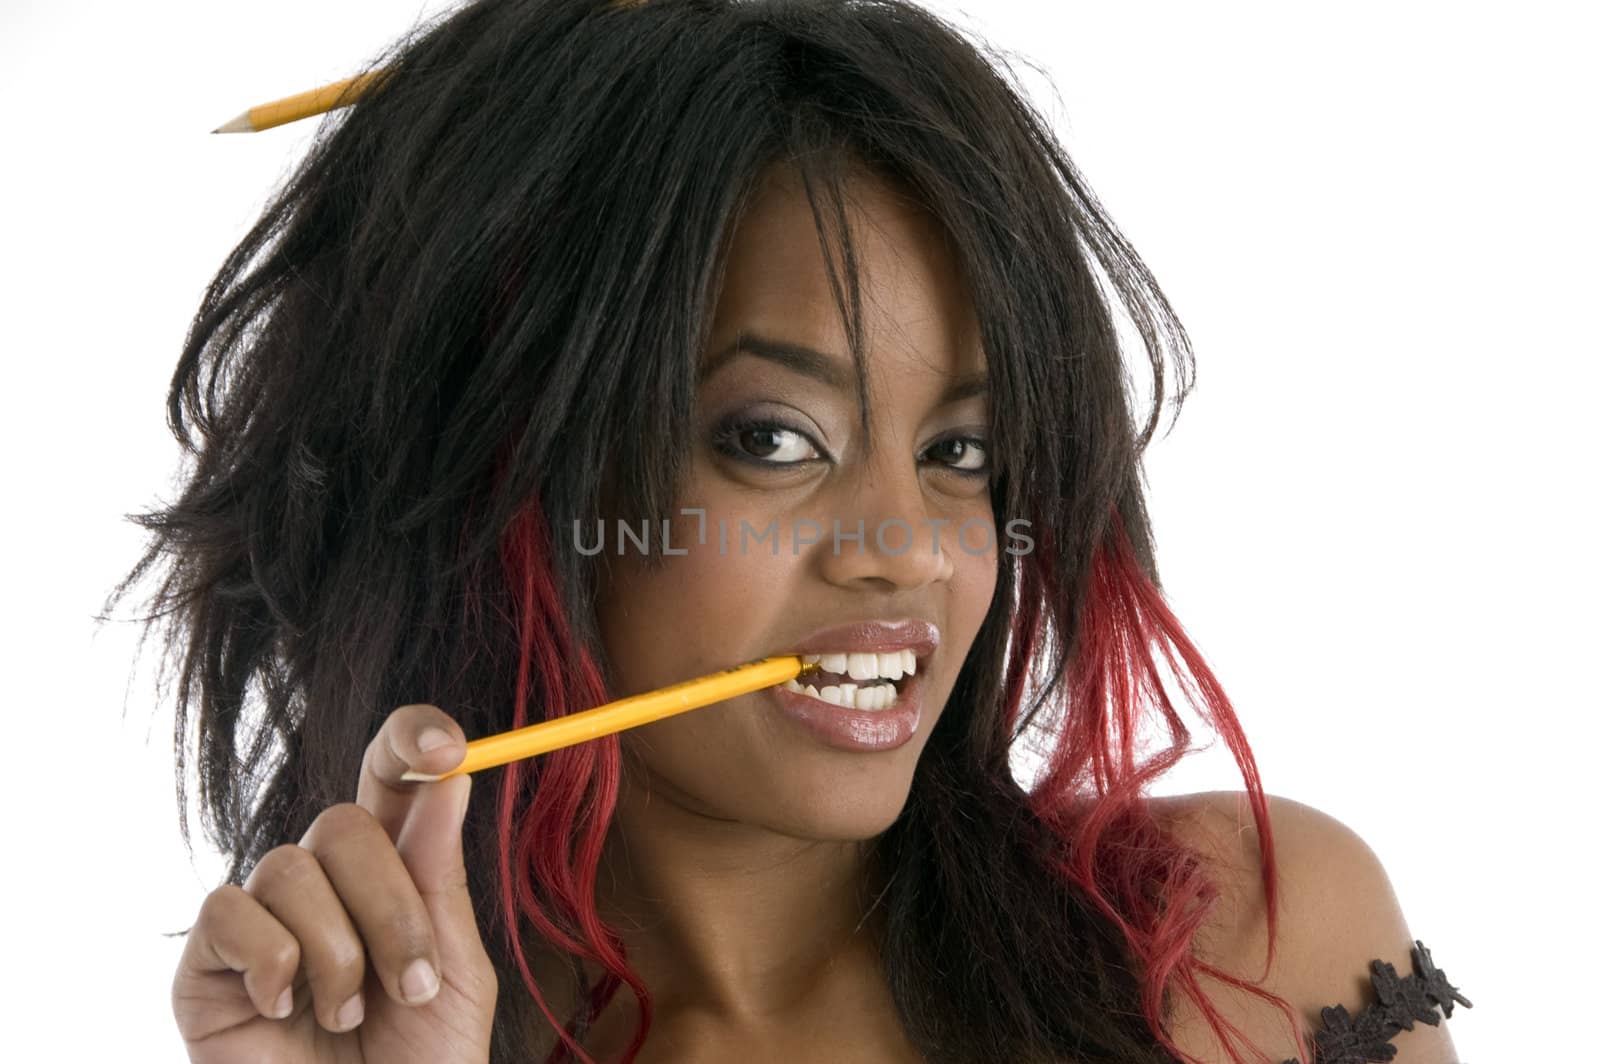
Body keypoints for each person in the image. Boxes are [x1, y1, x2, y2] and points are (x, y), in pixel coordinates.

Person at [115, 1, 1469, 1061]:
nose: (911, 549)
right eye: (773, 439)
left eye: (961, 453)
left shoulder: (1256, 948)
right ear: (502, 473)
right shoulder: (402, 1045)